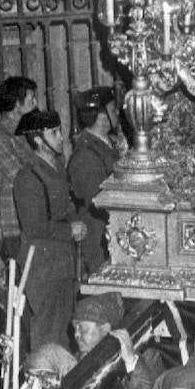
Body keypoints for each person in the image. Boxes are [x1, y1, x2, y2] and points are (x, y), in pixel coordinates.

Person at [13, 108, 86, 350]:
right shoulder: (28, 177)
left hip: (62, 263)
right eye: (54, 133)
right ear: (38, 139)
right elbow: (34, 227)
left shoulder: (55, 169)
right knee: (48, 335)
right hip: (44, 268)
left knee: (64, 335)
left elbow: (64, 208)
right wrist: (70, 230)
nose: (60, 137)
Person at [68, 87, 122, 277]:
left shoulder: (108, 142)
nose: (117, 113)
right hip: (99, 237)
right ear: (101, 117)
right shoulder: (86, 154)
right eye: (113, 109)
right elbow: (96, 202)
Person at [0, 77, 38, 265]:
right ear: (17, 103)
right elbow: (20, 175)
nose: (36, 104)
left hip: (31, 216)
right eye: (31, 99)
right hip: (14, 220)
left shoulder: (24, 131)